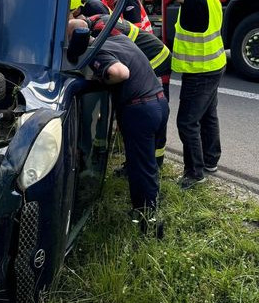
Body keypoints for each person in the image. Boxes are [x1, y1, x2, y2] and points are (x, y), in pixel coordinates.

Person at [89, 34, 169, 236]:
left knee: (140, 167)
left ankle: (148, 222)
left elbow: (120, 73)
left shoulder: (96, 51)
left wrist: (100, 78)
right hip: (159, 101)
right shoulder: (120, 40)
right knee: (149, 163)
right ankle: (151, 204)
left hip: (140, 111)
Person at [83, 14, 171, 166]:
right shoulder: (103, 18)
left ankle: (155, 160)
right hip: (145, 56)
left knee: (143, 103)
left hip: (155, 59)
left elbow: (116, 70)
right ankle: (149, 160)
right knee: (152, 109)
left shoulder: (100, 31)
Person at [172, 0, 226, 189]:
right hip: (214, 63)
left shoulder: (195, 4)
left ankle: (194, 174)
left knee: (187, 123)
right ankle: (211, 160)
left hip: (199, 70)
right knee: (208, 115)